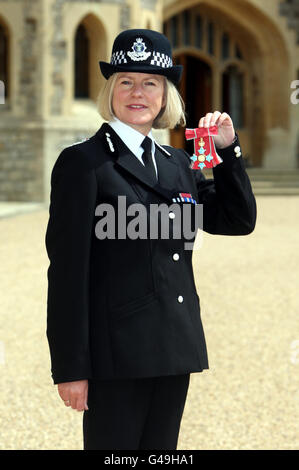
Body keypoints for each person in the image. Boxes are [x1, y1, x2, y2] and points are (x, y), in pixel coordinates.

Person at [45, 29, 256, 450]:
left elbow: (236, 219)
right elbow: (67, 274)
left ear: (165, 96)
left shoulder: (178, 163)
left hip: (174, 346)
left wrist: (228, 151)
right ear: (111, 91)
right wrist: (70, 367)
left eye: (150, 83)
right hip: (115, 355)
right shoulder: (83, 164)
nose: (137, 92)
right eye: (126, 81)